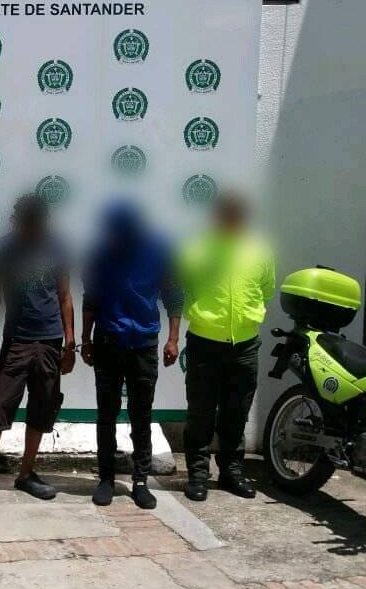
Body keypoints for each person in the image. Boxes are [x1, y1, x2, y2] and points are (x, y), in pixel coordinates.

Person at [0, 194, 76, 511]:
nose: (27, 231)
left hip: (50, 341)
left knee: (42, 407)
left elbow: (65, 296)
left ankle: (26, 474)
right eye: (22, 225)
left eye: (33, 226)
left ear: (43, 223)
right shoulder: (3, 249)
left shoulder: (58, 248)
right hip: (17, 341)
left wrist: (70, 343)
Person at [81, 202, 183, 510]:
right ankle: (106, 479)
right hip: (108, 342)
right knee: (106, 414)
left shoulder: (159, 251)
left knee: (141, 414)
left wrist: (173, 339)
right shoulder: (100, 255)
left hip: (143, 344)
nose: (118, 237)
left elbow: (173, 295)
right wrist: (85, 340)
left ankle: (140, 481)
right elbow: (91, 300)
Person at [179, 192, 275, 502]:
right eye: (226, 213)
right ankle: (197, 474)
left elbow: (265, 288)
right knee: (201, 412)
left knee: (237, 412)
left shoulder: (259, 250)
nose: (231, 219)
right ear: (217, 215)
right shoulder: (197, 248)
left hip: (245, 345)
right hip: (205, 343)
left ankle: (231, 471)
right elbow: (184, 285)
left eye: (237, 214)